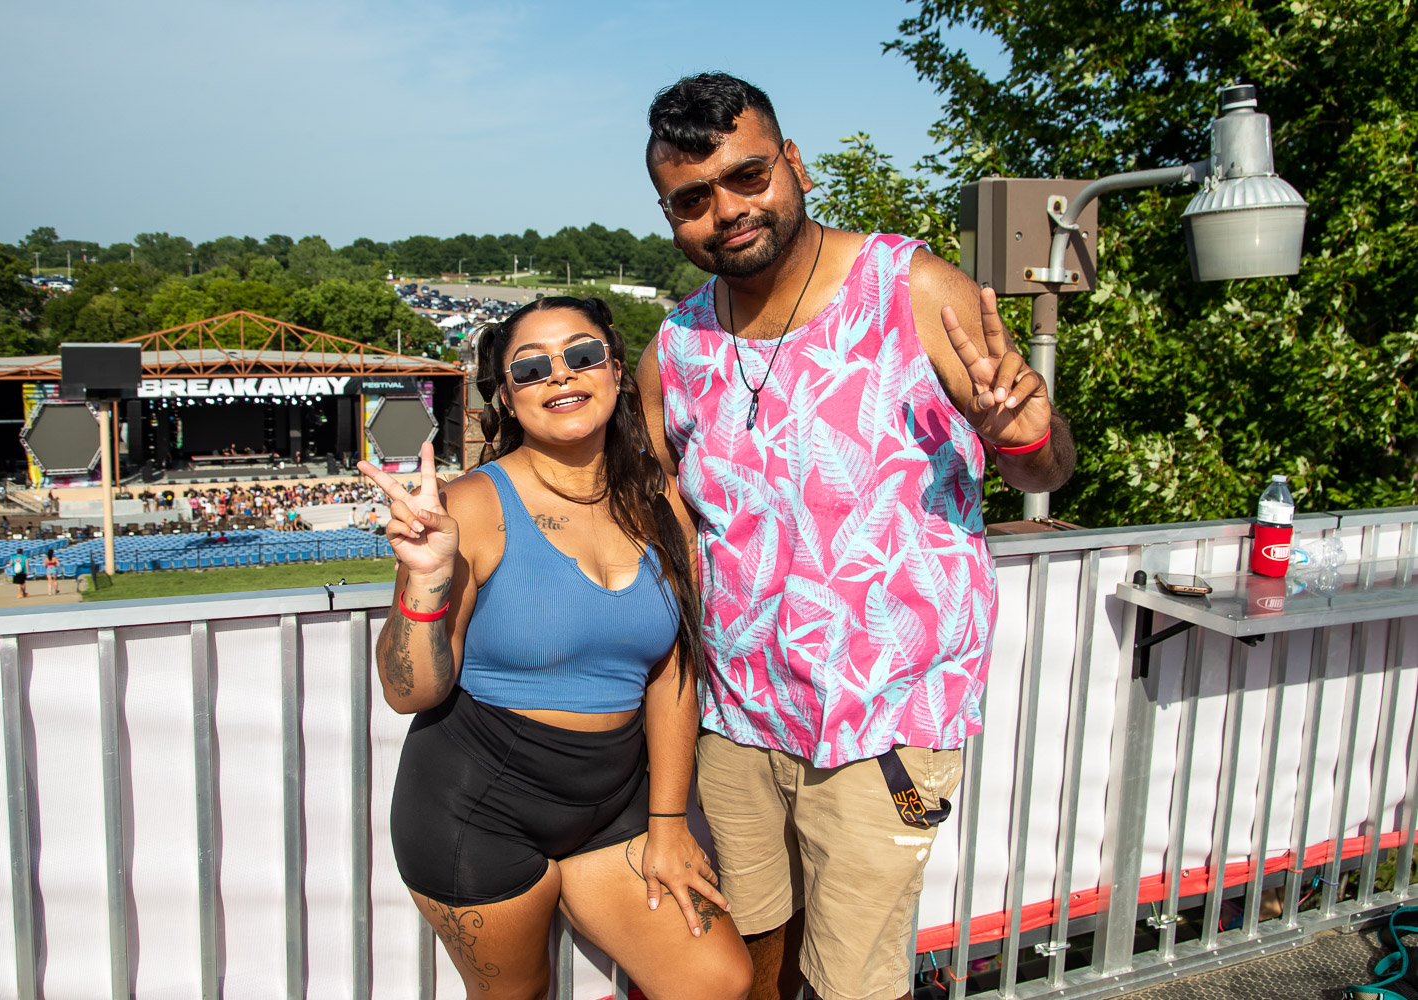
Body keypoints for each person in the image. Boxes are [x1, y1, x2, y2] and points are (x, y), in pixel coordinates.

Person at [635, 74, 1077, 1000]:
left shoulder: (910, 288)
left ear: (792, 163)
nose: (727, 210)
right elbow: (658, 520)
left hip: (887, 727)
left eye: (748, 176)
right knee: (752, 955)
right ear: (670, 215)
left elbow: (1048, 469)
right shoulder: (675, 348)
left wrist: (1020, 436)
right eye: (693, 198)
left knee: (854, 982)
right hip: (736, 719)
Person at [359, 296, 752, 1000]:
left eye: (581, 354)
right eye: (531, 368)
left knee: (716, 982)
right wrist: (423, 579)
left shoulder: (659, 499)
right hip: (478, 806)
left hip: (614, 799)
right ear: (506, 399)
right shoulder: (472, 505)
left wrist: (667, 822)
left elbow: (672, 671)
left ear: (615, 372)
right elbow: (407, 692)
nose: (561, 376)